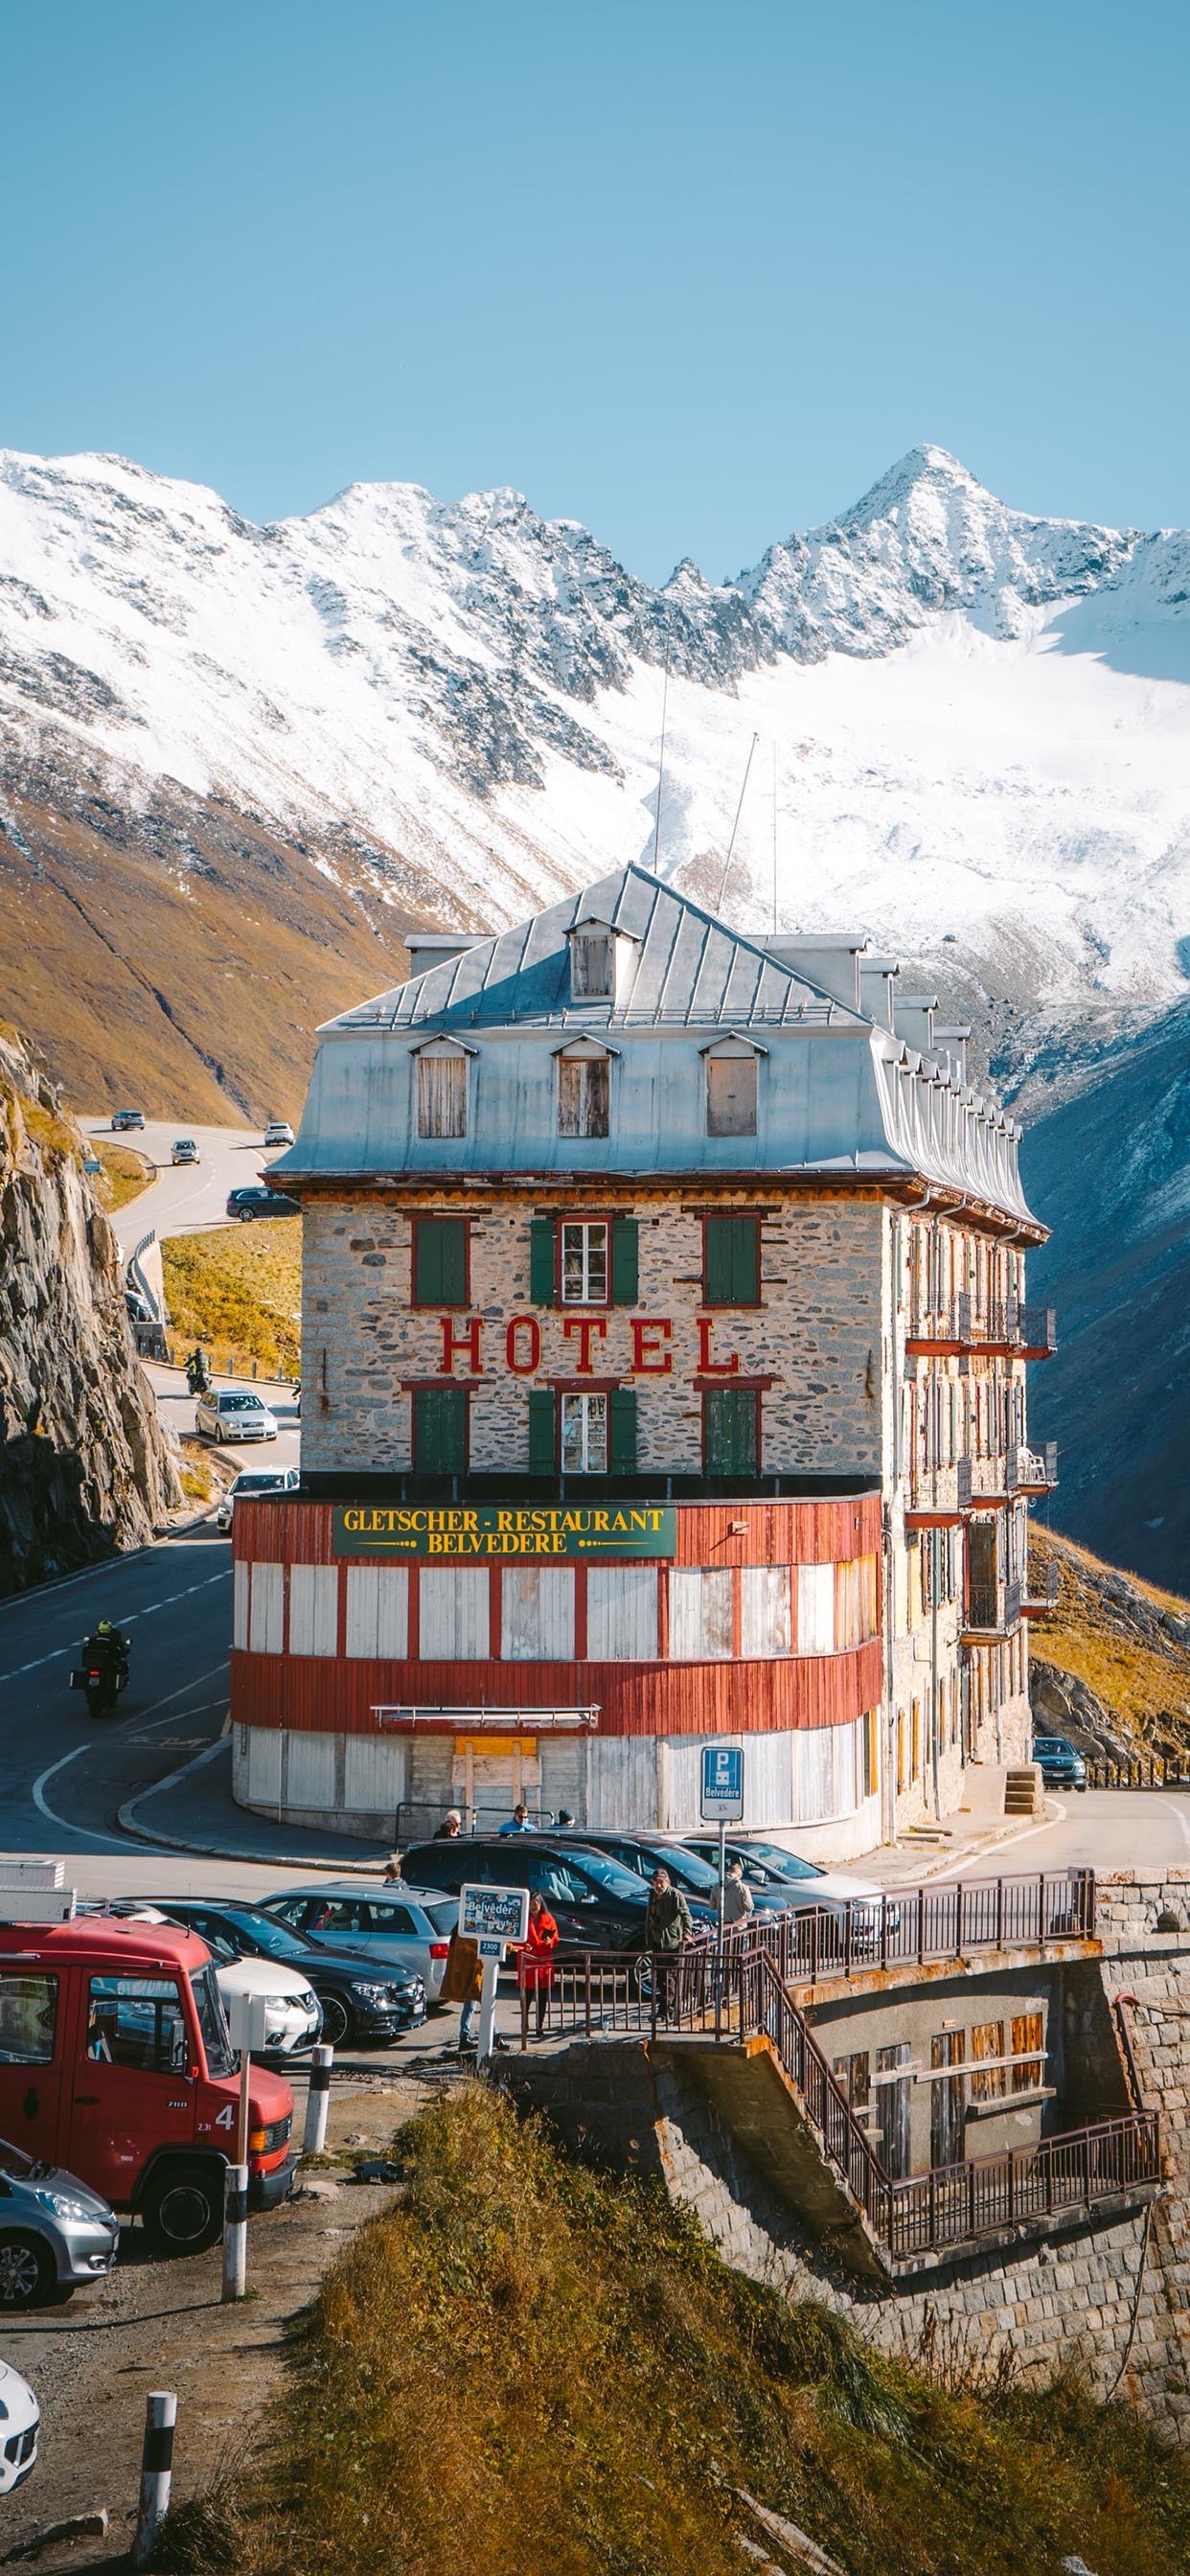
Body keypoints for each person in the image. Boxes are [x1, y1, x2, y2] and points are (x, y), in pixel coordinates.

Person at [645, 1867, 694, 2021]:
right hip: (657, 1942)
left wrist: (687, 1933)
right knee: (660, 1977)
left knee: (668, 1978)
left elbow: (686, 1915)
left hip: (671, 1942)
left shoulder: (675, 1895)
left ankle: (666, 2011)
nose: (658, 1886)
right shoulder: (652, 1894)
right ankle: (664, 2009)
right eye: (656, 1882)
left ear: (667, 1882)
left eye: (661, 1882)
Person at [516, 1891, 560, 2038]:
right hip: (527, 1962)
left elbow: (555, 1937)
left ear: (541, 1904)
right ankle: (524, 2024)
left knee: (541, 1998)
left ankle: (539, 2026)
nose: (533, 1906)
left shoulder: (548, 1919)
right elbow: (516, 1939)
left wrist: (550, 1942)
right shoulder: (522, 1920)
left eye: (535, 1903)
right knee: (526, 1997)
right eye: (530, 1904)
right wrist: (523, 1945)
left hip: (543, 1962)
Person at [440, 1922, 484, 2054]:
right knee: (484, 2004)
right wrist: (508, 1947)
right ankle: (495, 2035)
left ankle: (464, 2036)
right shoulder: (465, 1929)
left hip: (473, 1972)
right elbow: (476, 1945)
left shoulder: (463, 1927)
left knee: (472, 2005)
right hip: (472, 1972)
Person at [722, 1857, 754, 1929]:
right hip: (739, 1926)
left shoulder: (717, 1886)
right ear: (739, 1875)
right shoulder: (742, 1888)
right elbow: (749, 1907)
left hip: (723, 1926)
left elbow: (712, 1906)